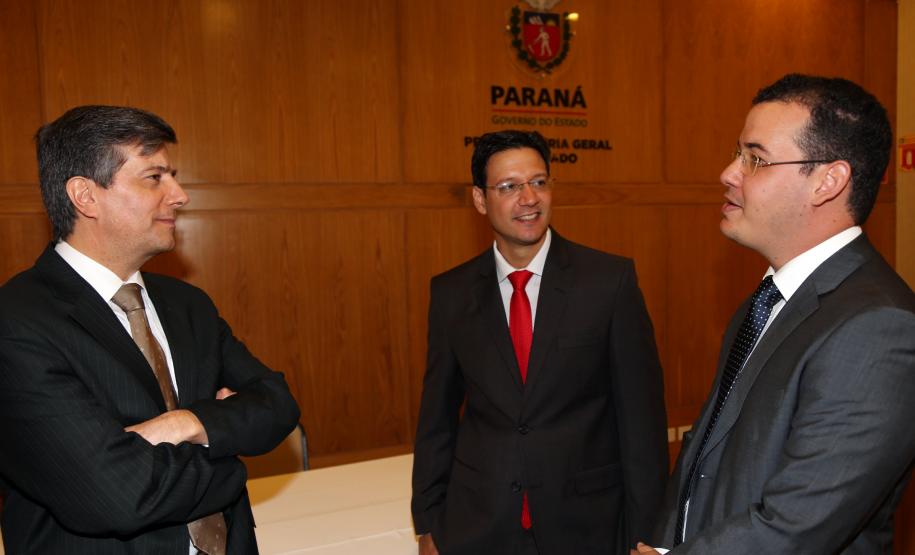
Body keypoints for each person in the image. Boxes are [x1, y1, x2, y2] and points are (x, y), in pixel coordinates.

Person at [0, 105, 301, 553]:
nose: (179, 195)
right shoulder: (18, 321)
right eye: (154, 177)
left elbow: (278, 404)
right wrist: (228, 450)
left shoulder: (188, 304)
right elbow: (119, 496)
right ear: (85, 196)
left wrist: (188, 422)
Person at [636, 74, 915, 554]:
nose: (729, 172)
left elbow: (799, 522)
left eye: (755, 159)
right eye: (737, 153)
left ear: (828, 181)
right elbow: (700, 460)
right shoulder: (767, 299)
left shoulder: (880, 327)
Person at [412, 129, 668, 555]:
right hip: (478, 525)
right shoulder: (451, 294)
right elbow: (435, 421)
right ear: (480, 199)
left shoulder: (608, 282)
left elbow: (642, 424)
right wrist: (428, 525)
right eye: (509, 186)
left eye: (539, 182)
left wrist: (646, 537)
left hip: (588, 525)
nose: (528, 198)